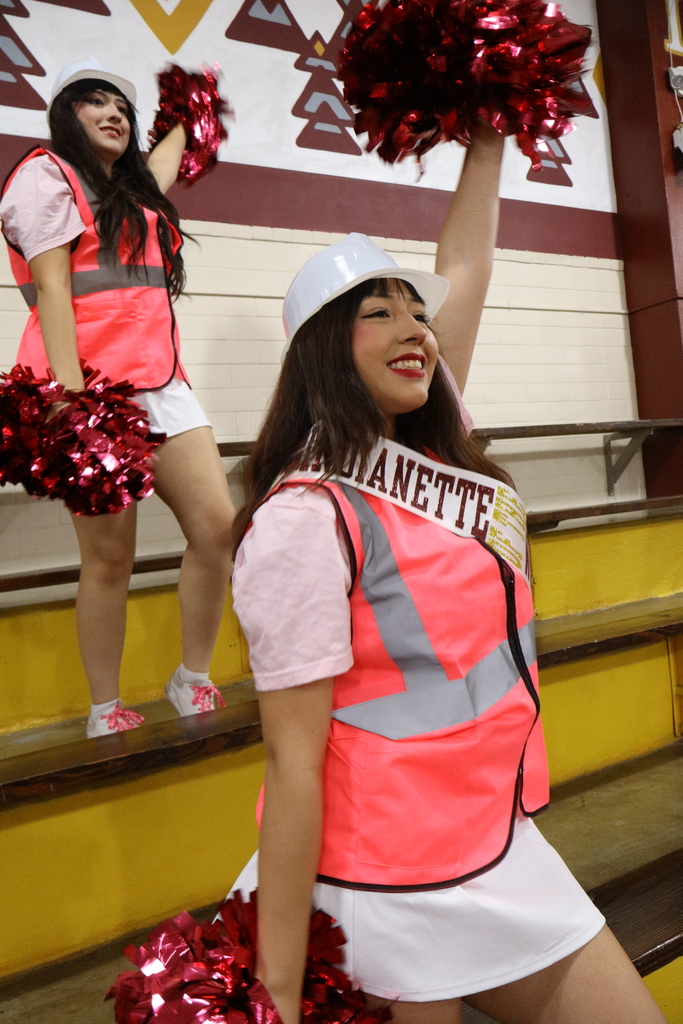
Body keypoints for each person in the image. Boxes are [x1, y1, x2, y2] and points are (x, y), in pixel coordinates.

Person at [228, 127, 668, 1024]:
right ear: (323, 349)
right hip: (382, 881)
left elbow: (465, 264)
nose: (414, 332)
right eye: (378, 312)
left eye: (417, 315)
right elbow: (291, 763)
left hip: (496, 840)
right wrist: (275, 988)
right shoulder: (303, 520)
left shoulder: (434, 455)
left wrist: (490, 131)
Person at [0, 59, 236, 737]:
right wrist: (72, 402)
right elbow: (53, 290)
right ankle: (105, 708)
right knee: (109, 558)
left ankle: (191, 676)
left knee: (218, 529)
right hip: (91, 395)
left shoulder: (135, 193)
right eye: (96, 103)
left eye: (123, 109)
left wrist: (193, 99)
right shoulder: (45, 175)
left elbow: (171, 149)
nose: (114, 115)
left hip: (163, 384)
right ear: (65, 115)